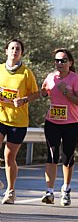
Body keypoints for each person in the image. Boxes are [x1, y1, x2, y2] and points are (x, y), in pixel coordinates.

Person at [40, 48, 78, 206]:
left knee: (67, 157)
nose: (59, 63)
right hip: (52, 122)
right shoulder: (51, 77)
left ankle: (66, 189)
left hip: (71, 124)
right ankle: (49, 191)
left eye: (63, 60)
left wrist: (66, 93)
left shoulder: (76, 79)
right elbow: (44, 91)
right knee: (52, 155)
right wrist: (44, 92)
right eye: (57, 60)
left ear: (70, 63)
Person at [0, 39, 40, 203]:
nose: (14, 51)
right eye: (12, 48)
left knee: (9, 157)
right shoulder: (0, 69)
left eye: (17, 49)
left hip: (18, 121)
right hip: (1, 117)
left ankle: (10, 191)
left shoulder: (26, 73)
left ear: (21, 53)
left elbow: (36, 93)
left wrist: (23, 100)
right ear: (6, 51)